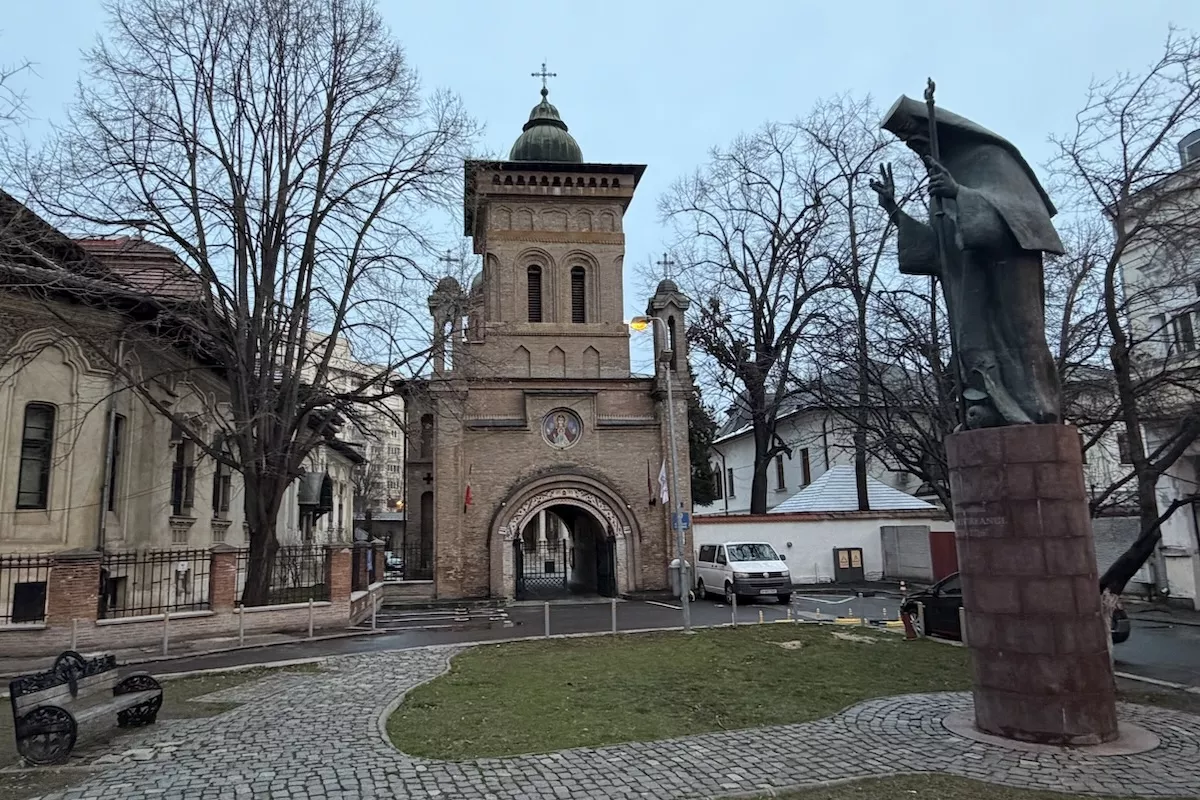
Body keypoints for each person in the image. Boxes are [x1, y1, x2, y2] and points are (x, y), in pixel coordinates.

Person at [872, 95, 1064, 429]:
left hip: (1007, 278)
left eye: (917, 139)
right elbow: (939, 250)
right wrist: (894, 210)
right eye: (909, 144)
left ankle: (1035, 413)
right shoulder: (942, 179)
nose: (915, 147)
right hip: (969, 286)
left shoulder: (990, 157)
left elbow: (1020, 215)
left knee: (1020, 340)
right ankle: (991, 411)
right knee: (972, 347)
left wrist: (960, 193)